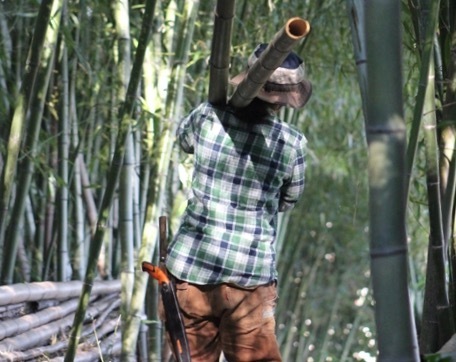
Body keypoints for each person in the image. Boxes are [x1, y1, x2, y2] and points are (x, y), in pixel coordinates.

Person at [163, 43, 312, 361]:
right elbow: (289, 199)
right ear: (284, 100)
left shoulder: (208, 115)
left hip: (190, 271)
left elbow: (184, 141)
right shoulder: (292, 144)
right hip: (248, 279)